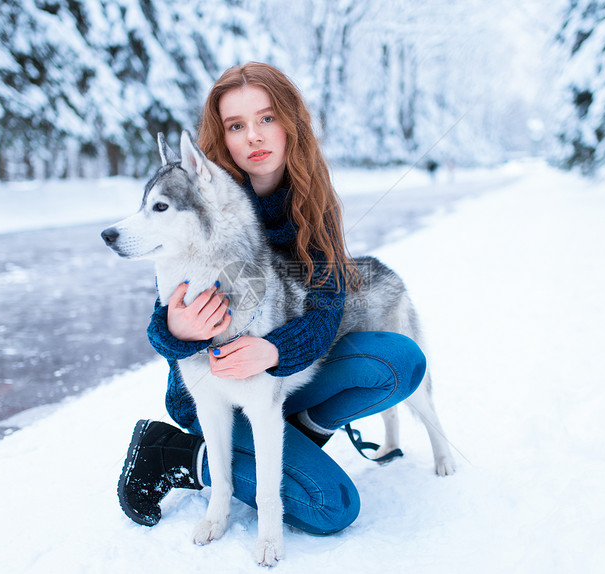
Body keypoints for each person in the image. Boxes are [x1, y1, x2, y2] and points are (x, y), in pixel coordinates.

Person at [118, 62, 428, 535]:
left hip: (277, 379)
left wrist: (276, 351)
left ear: (290, 123)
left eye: (266, 118)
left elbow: (328, 310)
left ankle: (301, 434)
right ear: (221, 136)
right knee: (330, 507)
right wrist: (175, 331)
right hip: (212, 392)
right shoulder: (199, 196)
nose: (254, 137)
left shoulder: (311, 203)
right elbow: (164, 315)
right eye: (236, 125)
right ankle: (177, 452)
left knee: (401, 361)